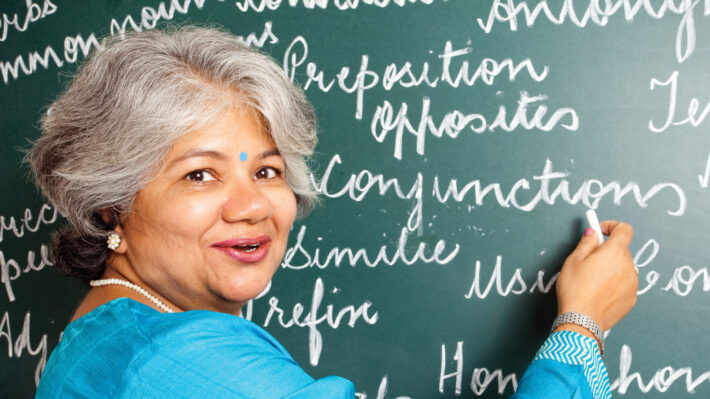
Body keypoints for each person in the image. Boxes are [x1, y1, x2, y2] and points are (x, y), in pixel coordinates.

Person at [29, 26, 637, 399]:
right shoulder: (186, 361)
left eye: (266, 171)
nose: (251, 206)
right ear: (112, 208)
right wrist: (582, 327)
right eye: (200, 174)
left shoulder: (105, 333)